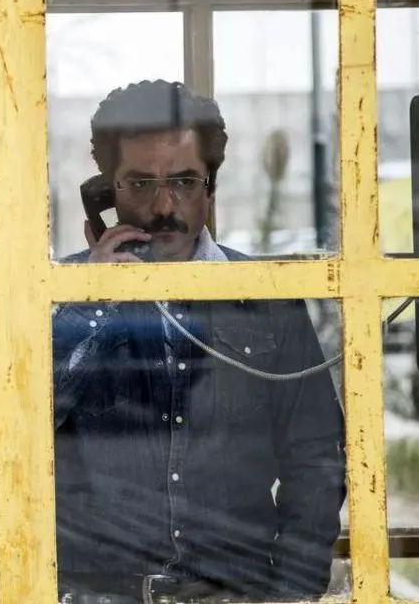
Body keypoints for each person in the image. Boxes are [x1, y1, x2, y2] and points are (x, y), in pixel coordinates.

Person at [53, 80, 346, 602]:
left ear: (211, 185)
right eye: (139, 185)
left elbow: (316, 454)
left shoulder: (267, 298)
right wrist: (94, 303)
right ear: (104, 191)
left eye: (185, 181)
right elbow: (16, 427)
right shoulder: (60, 296)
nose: (164, 206)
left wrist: (288, 592)